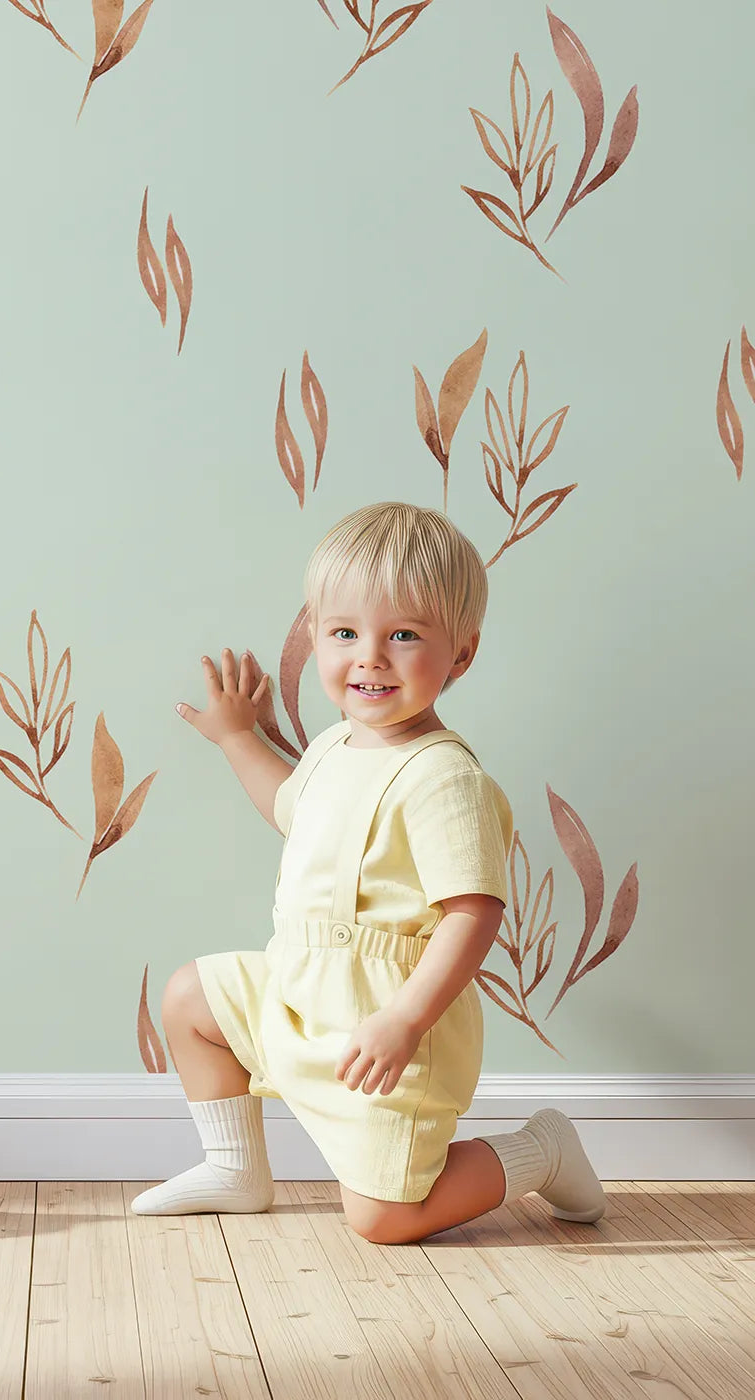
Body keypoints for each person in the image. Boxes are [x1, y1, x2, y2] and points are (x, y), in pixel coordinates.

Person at [132, 501, 607, 1243]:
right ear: (315, 636)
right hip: (298, 993)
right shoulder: (332, 747)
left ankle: (541, 1150)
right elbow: (290, 806)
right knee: (193, 997)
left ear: (462, 655)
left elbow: (473, 913)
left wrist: (403, 1020)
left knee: (384, 1220)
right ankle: (234, 1167)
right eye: (344, 633)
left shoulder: (444, 778)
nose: (370, 658)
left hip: (386, 1019)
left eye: (405, 636)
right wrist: (237, 737)